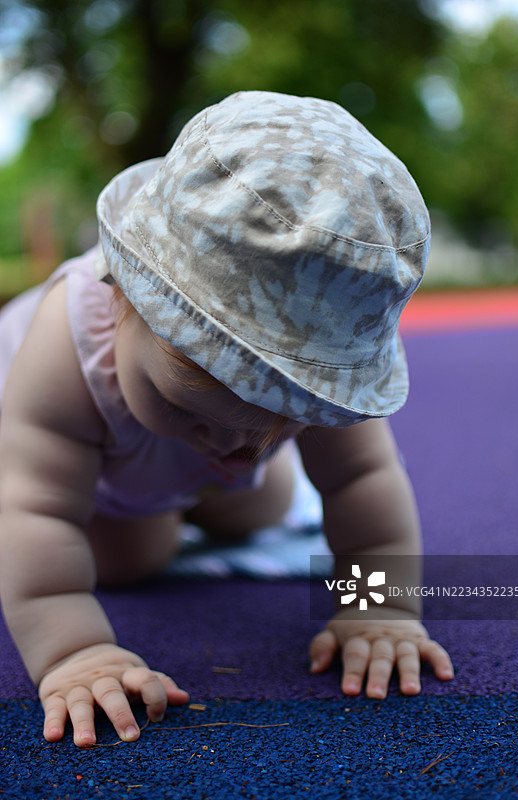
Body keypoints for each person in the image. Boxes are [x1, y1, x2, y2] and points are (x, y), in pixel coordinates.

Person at [0, 91, 454, 748]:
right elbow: (35, 509)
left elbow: (362, 480)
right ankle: (159, 509)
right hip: (81, 463)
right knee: (127, 558)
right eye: (187, 405)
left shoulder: (312, 368)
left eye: (284, 419)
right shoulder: (61, 348)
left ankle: (198, 479)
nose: (237, 444)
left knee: (258, 502)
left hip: (180, 466)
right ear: (124, 295)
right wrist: (75, 653)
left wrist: (379, 607)